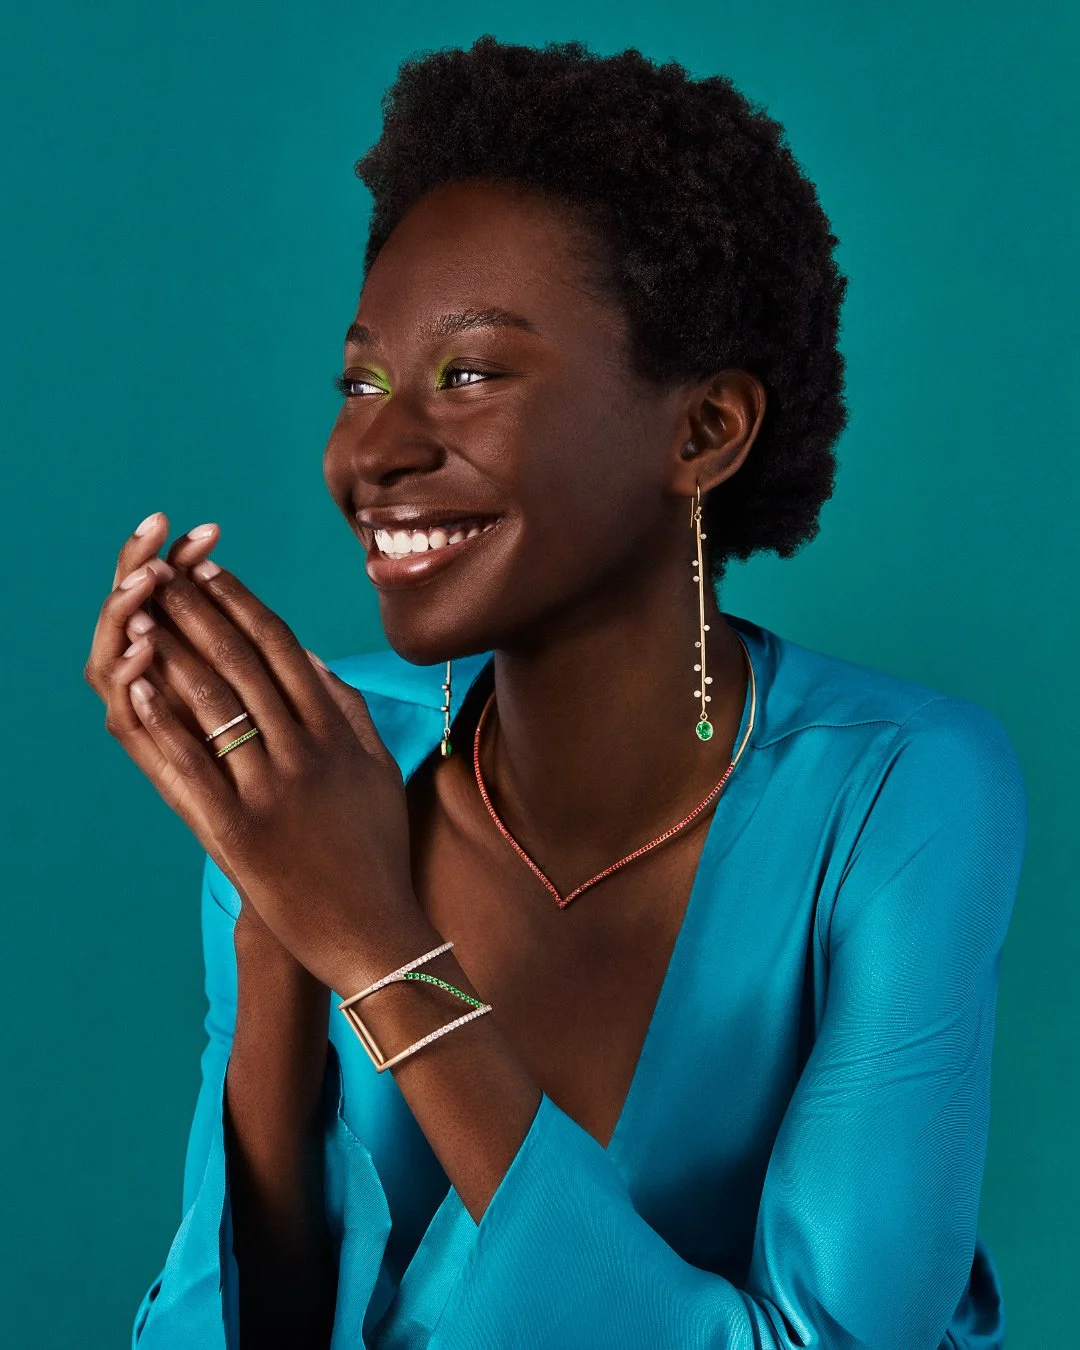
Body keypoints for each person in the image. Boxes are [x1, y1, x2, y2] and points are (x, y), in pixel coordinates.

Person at [85, 36, 1027, 1350]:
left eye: (469, 374)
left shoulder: (900, 787)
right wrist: (273, 920)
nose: (375, 449)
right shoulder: (319, 764)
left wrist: (376, 947)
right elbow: (243, 1321)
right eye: (360, 380)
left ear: (703, 432)